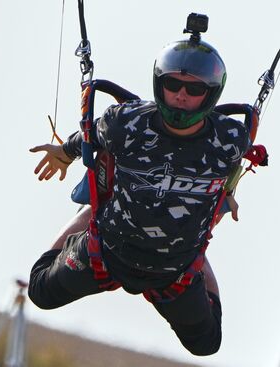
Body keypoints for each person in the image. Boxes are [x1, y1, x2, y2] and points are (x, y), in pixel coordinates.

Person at [28, 33, 251, 356]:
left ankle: (198, 255)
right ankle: (91, 214)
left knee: (207, 345)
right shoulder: (126, 123)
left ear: (211, 94)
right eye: (172, 85)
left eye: (194, 90)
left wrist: (226, 196)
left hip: (176, 272)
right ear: (159, 85)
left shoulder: (230, 140)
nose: (181, 96)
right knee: (39, 291)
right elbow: (89, 137)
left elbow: (230, 176)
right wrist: (63, 153)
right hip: (105, 253)